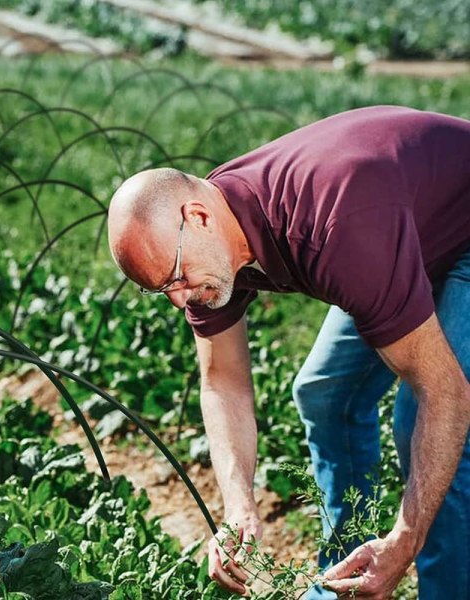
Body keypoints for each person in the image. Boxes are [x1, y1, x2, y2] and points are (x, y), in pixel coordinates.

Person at [106, 105, 470, 599]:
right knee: (324, 393)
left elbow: (446, 393)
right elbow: (223, 382)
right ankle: (344, 580)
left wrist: (404, 540)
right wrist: (239, 510)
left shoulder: (334, 230)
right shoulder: (212, 243)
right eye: (159, 290)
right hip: (403, 227)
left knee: (420, 418)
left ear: (198, 216)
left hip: (453, 230)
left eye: (174, 277)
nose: (178, 298)